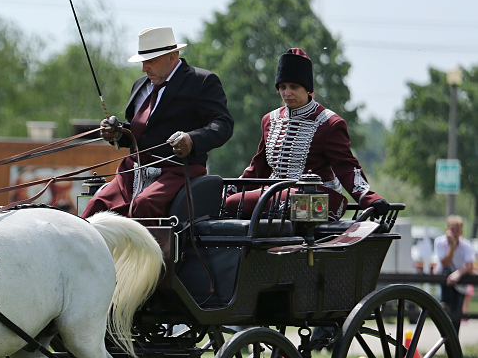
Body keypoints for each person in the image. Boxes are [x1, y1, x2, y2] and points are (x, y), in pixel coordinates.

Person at [80, 26, 233, 219]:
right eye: (143, 62)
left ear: (172, 56)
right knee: (96, 207)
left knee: (143, 206)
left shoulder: (201, 81)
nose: (144, 68)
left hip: (178, 172)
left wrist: (192, 140)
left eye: (150, 61)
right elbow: (141, 133)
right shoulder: (140, 85)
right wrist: (118, 133)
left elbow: (223, 124)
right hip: (133, 172)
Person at [225, 48, 389, 220]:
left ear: (307, 88)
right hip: (273, 194)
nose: (287, 93)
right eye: (282, 87)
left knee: (262, 202)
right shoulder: (270, 119)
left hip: (318, 200)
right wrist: (227, 193)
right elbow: (258, 167)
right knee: (231, 204)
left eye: (293, 87)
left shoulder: (329, 122)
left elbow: (346, 167)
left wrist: (369, 198)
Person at [434, 215, 474, 334]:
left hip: (460, 283)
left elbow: (469, 265)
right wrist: (451, 246)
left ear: (461, 231)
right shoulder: (440, 242)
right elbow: (445, 263)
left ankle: (453, 345)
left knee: (456, 315)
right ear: (447, 230)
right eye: (452, 230)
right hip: (445, 281)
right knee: (446, 314)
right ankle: (445, 302)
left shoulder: (466, 245)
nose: (454, 234)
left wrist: (457, 274)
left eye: (457, 231)